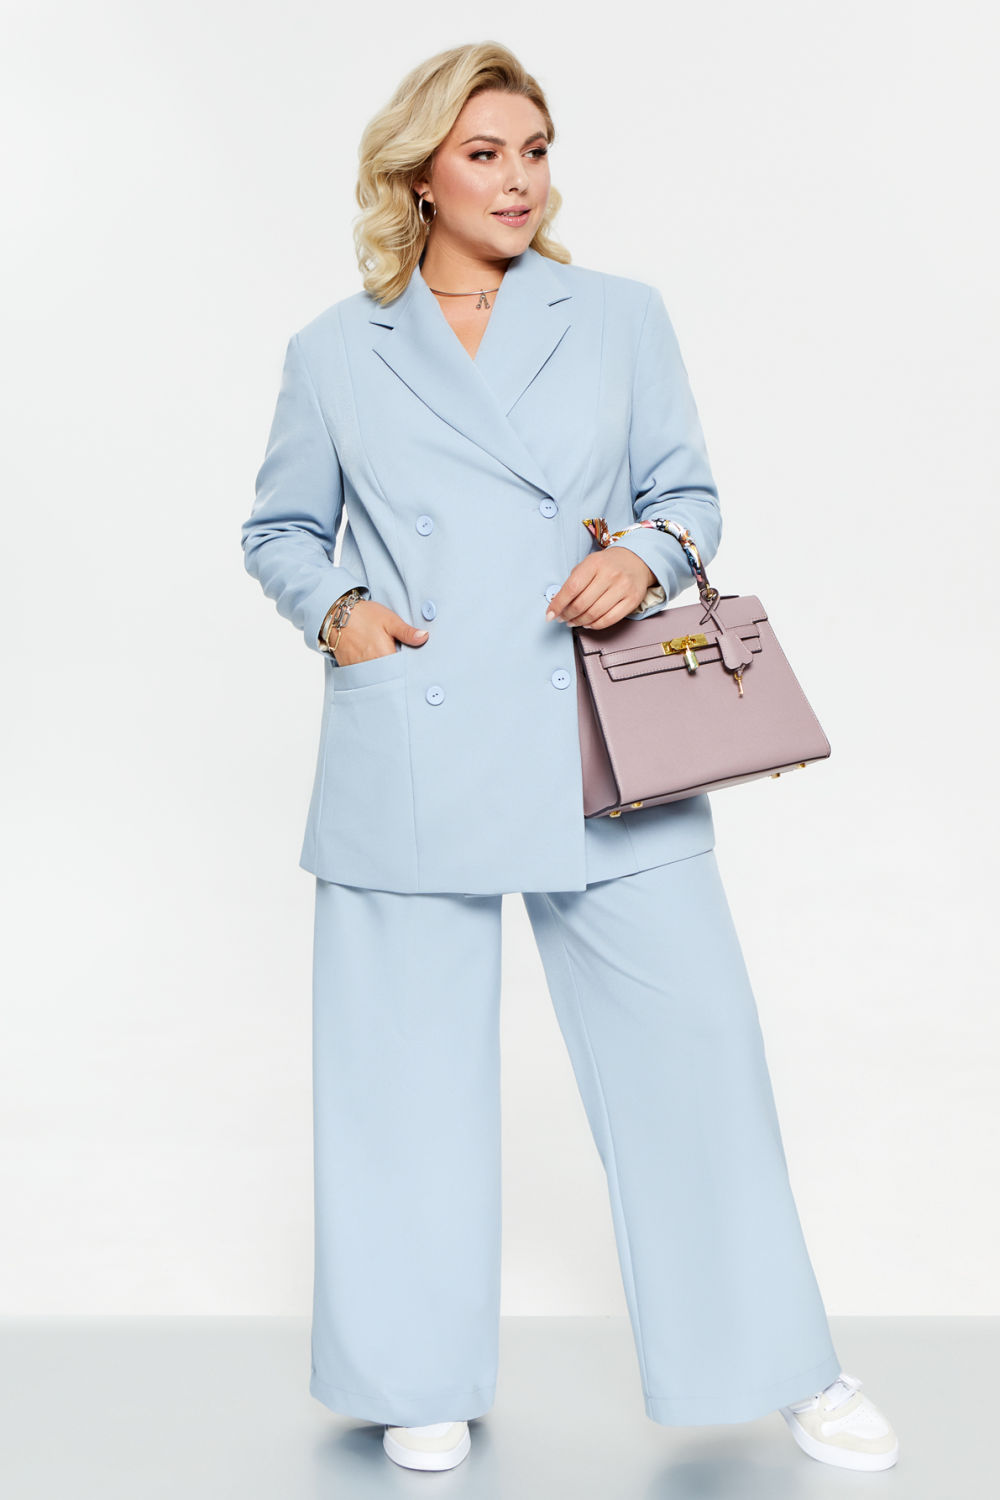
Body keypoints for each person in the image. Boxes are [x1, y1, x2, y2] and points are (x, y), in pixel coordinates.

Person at [240, 41, 898, 1475]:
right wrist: (340, 613)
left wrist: (648, 556)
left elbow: (687, 491)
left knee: (697, 1057)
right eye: (484, 153)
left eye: (535, 150)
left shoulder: (617, 318)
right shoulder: (335, 350)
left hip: (602, 732)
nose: (519, 179)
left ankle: (786, 1363)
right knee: (400, 1076)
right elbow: (281, 528)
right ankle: (414, 1370)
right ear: (419, 173)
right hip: (414, 734)